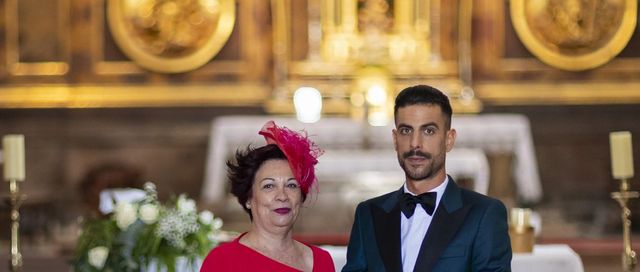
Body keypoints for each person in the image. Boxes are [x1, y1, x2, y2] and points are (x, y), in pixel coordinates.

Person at [343, 84, 512, 271]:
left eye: (428, 131)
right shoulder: (369, 214)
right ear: (395, 139)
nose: (415, 144)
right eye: (406, 131)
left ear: (449, 140)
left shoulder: (484, 214)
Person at [200, 120, 335, 272]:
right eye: (269, 186)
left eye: (291, 185)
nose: (282, 196)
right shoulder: (222, 261)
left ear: (301, 196)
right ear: (249, 199)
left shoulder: (321, 260)